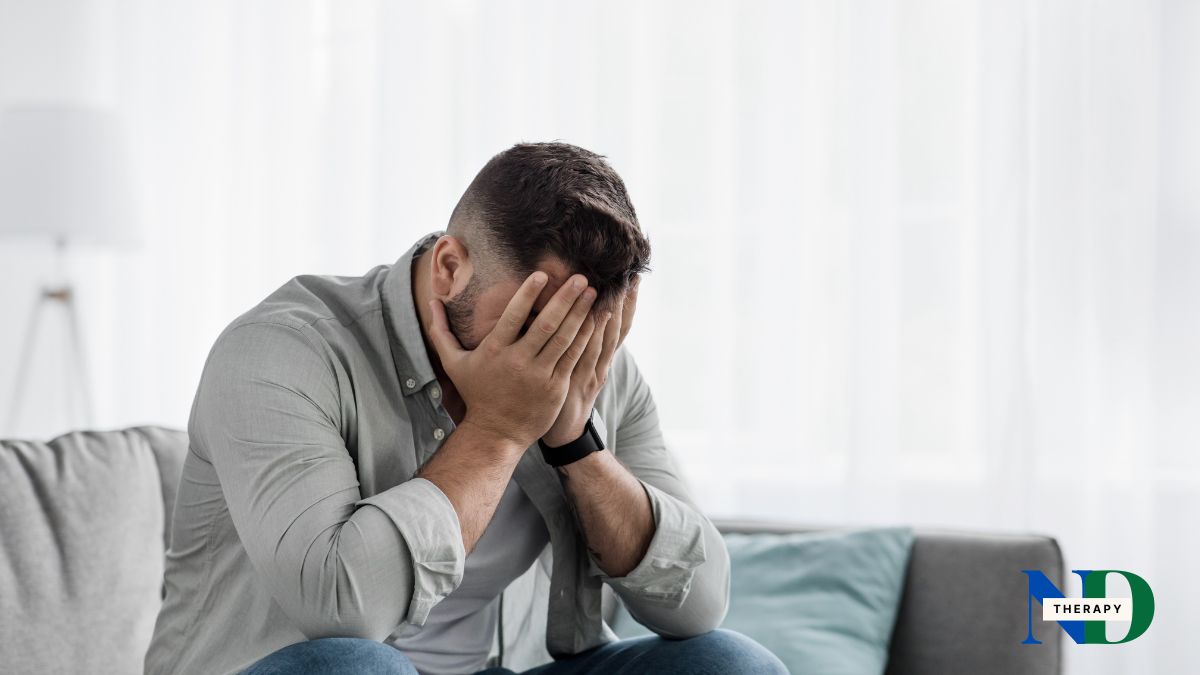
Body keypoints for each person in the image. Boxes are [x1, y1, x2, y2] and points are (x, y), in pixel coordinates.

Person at [145, 142, 786, 675]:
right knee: (359, 669)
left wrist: (574, 444)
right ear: (451, 267)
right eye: (538, 320)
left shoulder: (595, 364)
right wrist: (501, 429)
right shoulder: (283, 351)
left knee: (731, 665)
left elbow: (700, 603)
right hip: (307, 666)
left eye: (588, 324)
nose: (561, 353)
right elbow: (342, 610)